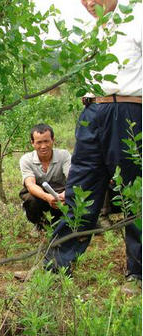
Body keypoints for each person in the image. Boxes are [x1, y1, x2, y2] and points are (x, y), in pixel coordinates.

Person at [45, 0, 141, 284]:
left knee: (134, 193)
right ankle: (56, 267)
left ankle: (138, 273)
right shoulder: (94, 31)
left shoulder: (137, 16)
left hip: (128, 111)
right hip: (92, 113)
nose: (88, 3)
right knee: (80, 190)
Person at [19, 124, 71, 230]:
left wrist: (65, 195)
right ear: (32, 143)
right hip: (41, 197)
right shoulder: (26, 159)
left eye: (46, 141)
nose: (43, 146)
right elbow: (30, 184)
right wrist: (47, 197)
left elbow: (72, 179)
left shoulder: (64, 155)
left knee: (74, 194)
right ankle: (40, 225)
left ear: (53, 140)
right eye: (39, 142)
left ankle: (62, 223)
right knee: (30, 199)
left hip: (61, 196)